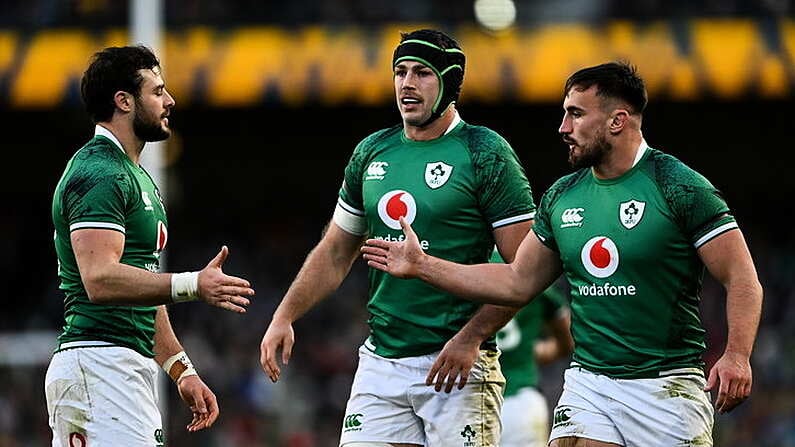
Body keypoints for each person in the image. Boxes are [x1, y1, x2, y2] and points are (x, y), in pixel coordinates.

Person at [362, 61, 764, 447]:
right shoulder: (561, 196)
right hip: (589, 383)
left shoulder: (679, 187)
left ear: (617, 121)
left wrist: (737, 355)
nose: (563, 127)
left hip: (665, 385)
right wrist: (423, 265)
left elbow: (741, 277)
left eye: (575, 114)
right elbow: (517, 280)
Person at [260, 29, 536, 446]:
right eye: (400, 72)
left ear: (449, 84)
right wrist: (284, 315)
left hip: (458, 364)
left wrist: (473, 337)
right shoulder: (372, 152)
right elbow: (335, 251)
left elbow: (524, 273)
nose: (407, 84)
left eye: (422, 73)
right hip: (382, 363)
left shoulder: (486, 153)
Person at [46, 45, 255, 446]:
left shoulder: (137, 177)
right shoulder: (99, 172)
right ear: (124, 101)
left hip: (120, 367)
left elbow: (142, 284)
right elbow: (100, 279)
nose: (170, 100)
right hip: (98, 363)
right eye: (157, 91)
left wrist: (181, 369)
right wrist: (193, 284)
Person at [491, 251, 573, 447]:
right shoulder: (530, 270)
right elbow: (567, 339)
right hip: (521, 402)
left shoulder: (462, 267)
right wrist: (533, 352)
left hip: (468, 401)